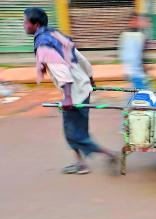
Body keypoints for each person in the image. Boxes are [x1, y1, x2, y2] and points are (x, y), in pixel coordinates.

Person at [23, 7, 117, 174]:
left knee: (75, 133)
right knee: (72, 129)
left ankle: (109, 154)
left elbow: (62, 71)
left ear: (35, 25)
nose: (24, 25)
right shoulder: (54, 35)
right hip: (81, 87)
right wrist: (90, 78)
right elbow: (79, 57)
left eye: (26, 22)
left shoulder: (44, 43)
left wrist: (67, 98)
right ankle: (80, 163)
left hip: (74, 93)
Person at [119, 12, 151, 89]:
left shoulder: (127, 35)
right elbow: (138, 56)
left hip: (134, 72)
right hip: (137, 73)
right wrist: (144, 70)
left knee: (136, 95)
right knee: (143, 95)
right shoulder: (137, 36)